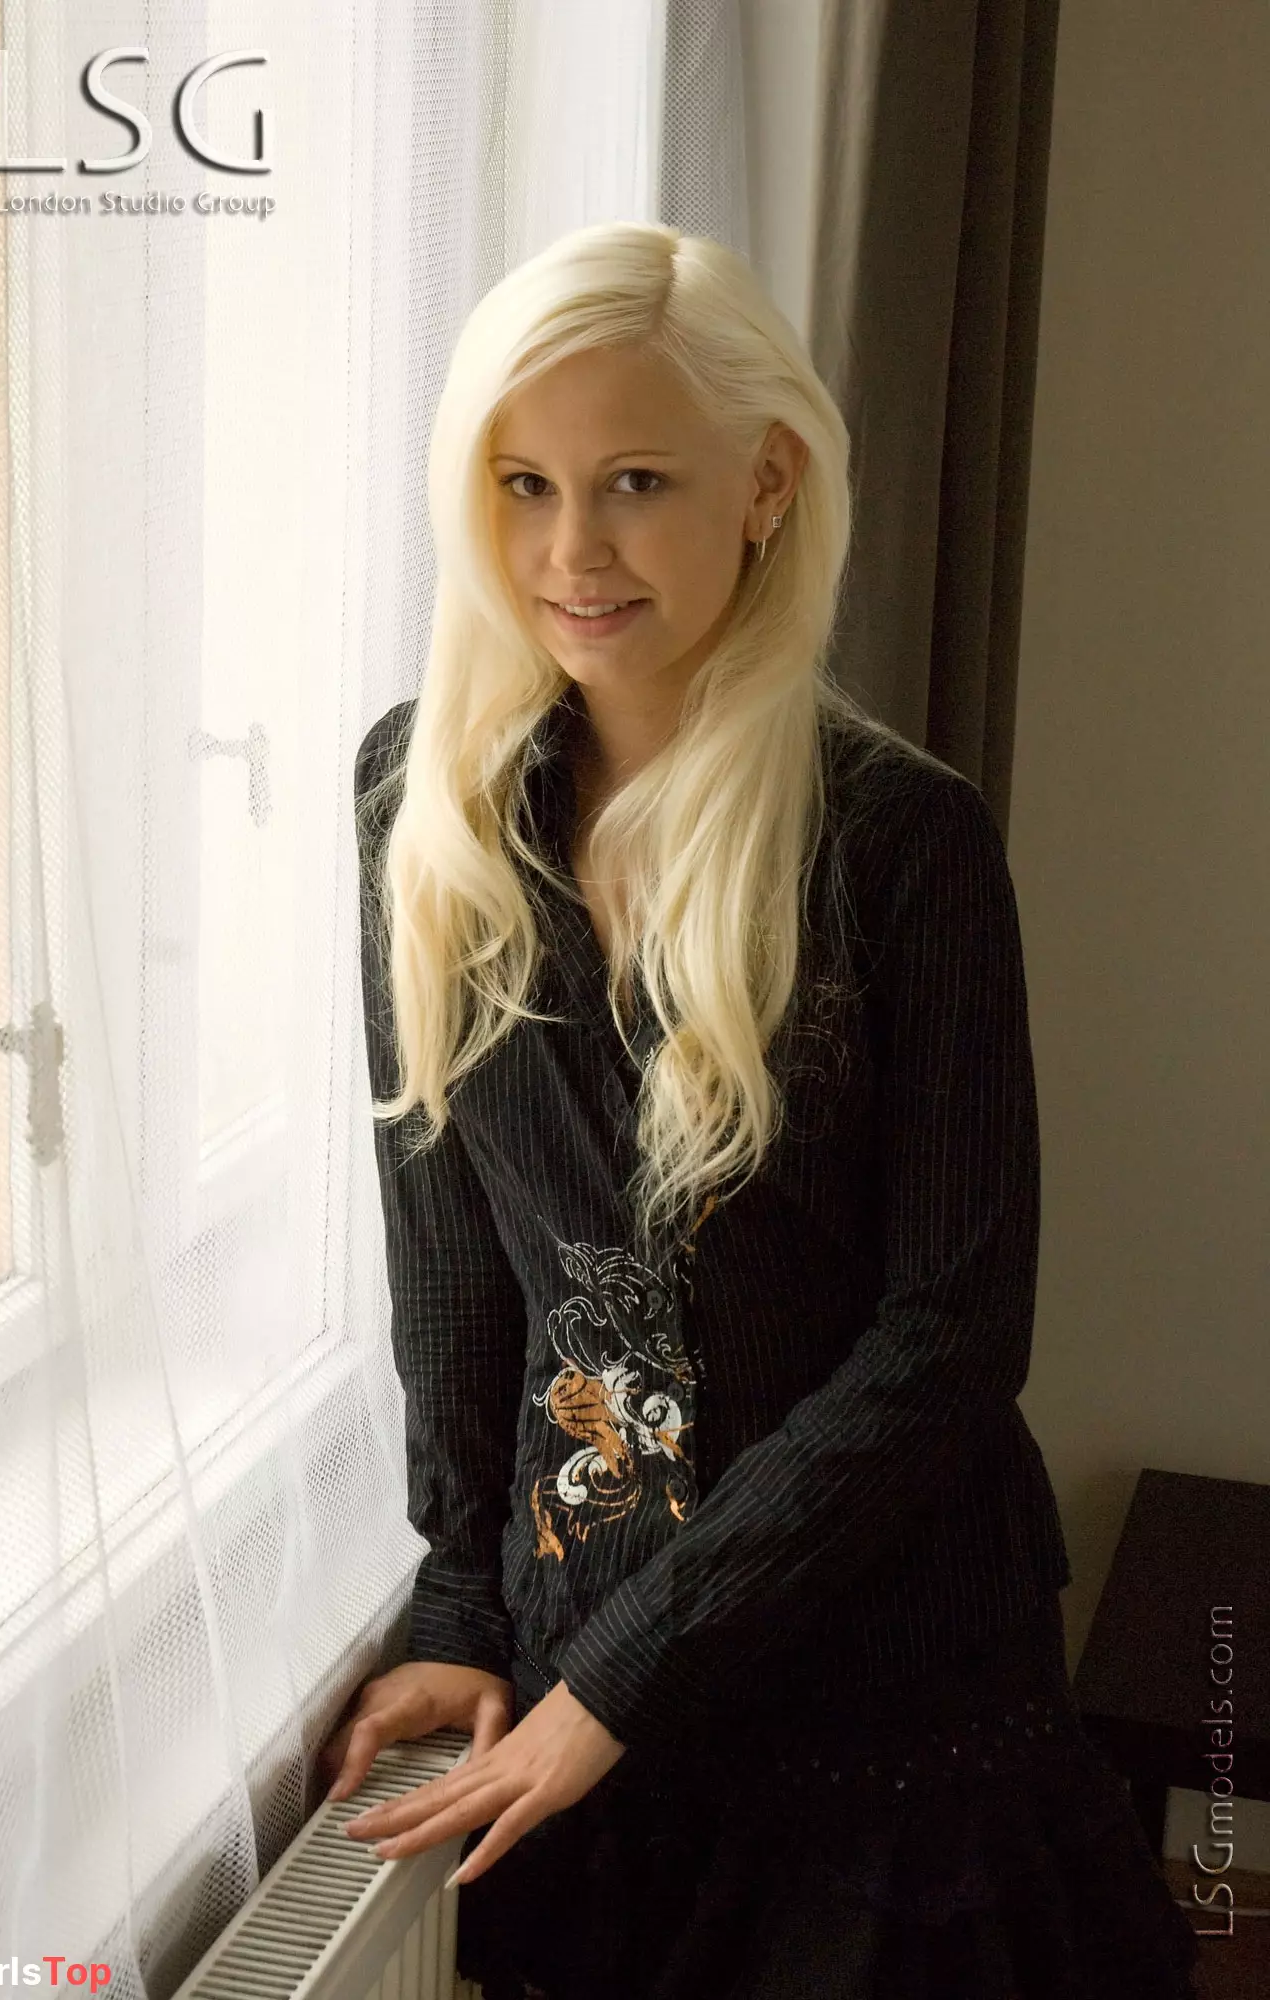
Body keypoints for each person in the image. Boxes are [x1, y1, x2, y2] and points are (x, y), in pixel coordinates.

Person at [321, 221, 1201, 2000]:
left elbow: (953, 1333)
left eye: (637, 481)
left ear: (769, 483)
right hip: (584, 1682)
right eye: (524, 484)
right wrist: (462, 1604)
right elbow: (457, 1264)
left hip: (887, 1696)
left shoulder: (900, 840)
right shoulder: (424, 800)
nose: (572, 550)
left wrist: (616, 1683)